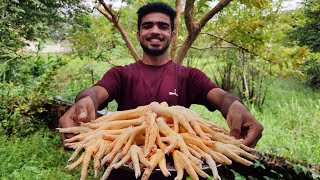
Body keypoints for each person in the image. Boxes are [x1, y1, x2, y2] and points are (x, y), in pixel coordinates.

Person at [59, 2, 263, 148]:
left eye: (163, 26)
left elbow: (221, 97)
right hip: (121, 169)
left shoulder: (189, 76)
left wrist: (235, 105)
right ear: (138, 34)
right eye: (147, 26)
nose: (155, 31)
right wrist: (85, 100)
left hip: (176, 171)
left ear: (173, 35)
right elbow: (95, 93)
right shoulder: (121, 74)